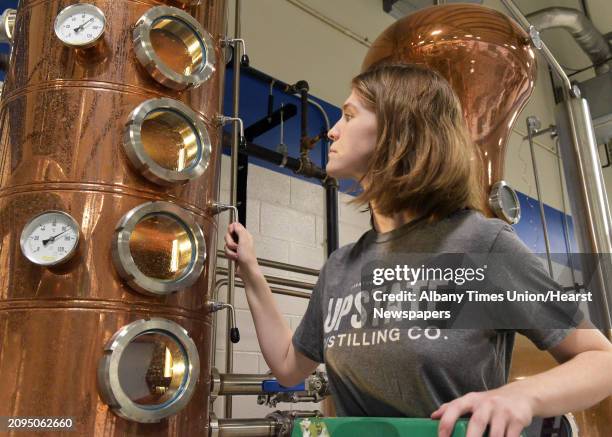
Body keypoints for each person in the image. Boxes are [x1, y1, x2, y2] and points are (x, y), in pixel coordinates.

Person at [224, 64, 612, 437]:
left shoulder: (480, 245)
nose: (332, 132)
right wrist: (252, 272)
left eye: (348, 115)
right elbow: (290, 367)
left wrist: (522, 395)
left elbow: (601, 360)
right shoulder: (342, 266)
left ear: (399, 129)